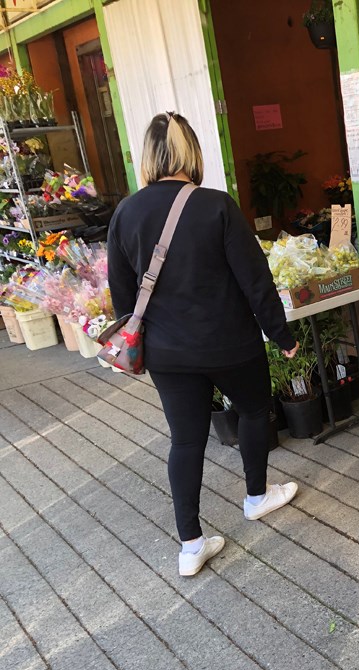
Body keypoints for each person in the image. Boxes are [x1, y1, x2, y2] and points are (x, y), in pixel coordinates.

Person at [108, 113, 300, 576]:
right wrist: (282, 334)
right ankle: (256, 497)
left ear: (149, 156)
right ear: (191, 152)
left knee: (187, 439)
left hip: (168, 353)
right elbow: (256, 281)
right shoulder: (217, 205)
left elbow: (122, 296)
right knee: (254, 411)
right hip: (231, 343)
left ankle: (190, 546)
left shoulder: (126, 213)